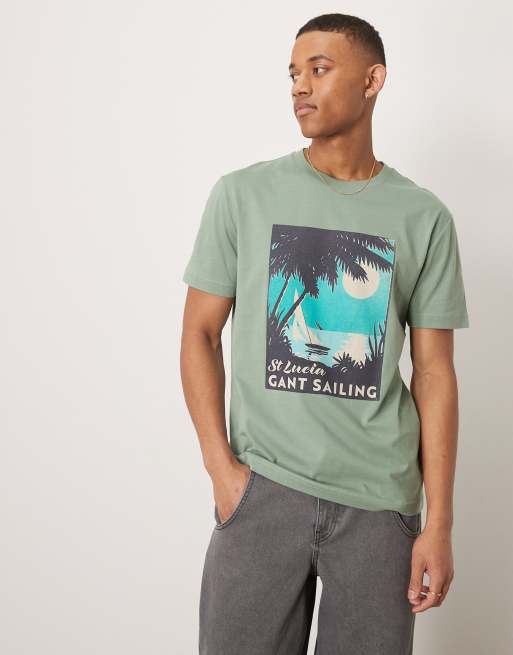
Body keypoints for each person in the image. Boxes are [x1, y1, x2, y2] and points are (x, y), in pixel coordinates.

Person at [180, 12, 469, 655]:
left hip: (379, 507)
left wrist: (440, 522)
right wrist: (223, 472)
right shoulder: (242, 195)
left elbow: (434, 372)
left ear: (373, 80)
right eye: (292, 74)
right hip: (262, 491)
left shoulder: (423, 217)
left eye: (319, 69)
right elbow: (199, 334)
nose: (300, 87)